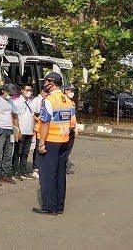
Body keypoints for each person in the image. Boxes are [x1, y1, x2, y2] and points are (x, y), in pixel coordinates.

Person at [33, 72, 74, 216]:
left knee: (48, 174)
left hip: (51, 141)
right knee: (60, 173)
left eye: (45, 81)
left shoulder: (50, 100)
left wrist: (41, 143)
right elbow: (71, 122)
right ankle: (59, 205)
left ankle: (50, 206)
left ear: (51, 82)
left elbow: (44, 122)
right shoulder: (67, 100)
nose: (44, 84)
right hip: (64, 141)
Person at [0, 84, 20, 186]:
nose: (11, 96)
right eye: (9, 93)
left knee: (8, 154)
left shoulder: (12, 102)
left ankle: (5, 174)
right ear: (4, 91)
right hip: (0, 129)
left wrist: (17, 130)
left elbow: (14, 117)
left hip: (9, 130)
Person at [13, 82, 35, 180]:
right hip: (21, 130)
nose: (28, 92)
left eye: (30, 90)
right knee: (18, 152)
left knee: (25, 152)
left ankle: (23, 170)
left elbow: (33, 116)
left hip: (29, 131)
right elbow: (15, 117)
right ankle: (15, 171)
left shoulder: (31, 101)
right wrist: (18, 130)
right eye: (27, 90)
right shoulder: (17, 101)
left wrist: (33, 129)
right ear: (22, 90)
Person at [31, 86, 49, 179]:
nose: (47, 93)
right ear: (42, 91)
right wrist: (39, 121)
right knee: (38, 148)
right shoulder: (36, 101)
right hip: (39, 128)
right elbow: (33, 114)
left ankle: (42, 167)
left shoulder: (47, 100)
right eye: (46, 92)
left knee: (44, 148)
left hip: (46, 129)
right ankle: (36, 168)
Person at [61, 84, 78, 175]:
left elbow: (73, 115)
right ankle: (61, 167)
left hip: (71, 127)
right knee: (63, 148)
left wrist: (75, 126)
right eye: (70, 91)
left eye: (73, 91)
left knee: (68, 149)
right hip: (64, 128)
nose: (72, 93)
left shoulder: (72, 102)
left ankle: (64, 166)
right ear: (65, 90)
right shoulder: (62, 101)